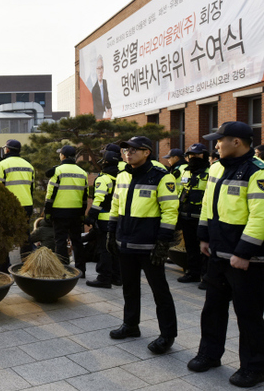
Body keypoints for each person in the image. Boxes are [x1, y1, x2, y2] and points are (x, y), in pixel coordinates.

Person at [187, 121, 264, 388]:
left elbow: (260, 216)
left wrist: (244, 252)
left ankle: (254, 367)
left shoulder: (257, 172)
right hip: (218, 253)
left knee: (248, 314)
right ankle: (209, 354)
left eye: (220, 140)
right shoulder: (216, 167)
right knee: (213, 308)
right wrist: (204, 237)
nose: (215, 144)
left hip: (246, 260)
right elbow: (208, 203)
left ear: (237, 142)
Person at [107, 136, 178, 354]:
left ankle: (167, 335)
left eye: (134, 150)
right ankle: (130, 325)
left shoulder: (161, 177)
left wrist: (163, 243)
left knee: (160, 291)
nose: (128, 153)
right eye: (125, 150)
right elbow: (116, 204)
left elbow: (170, 211)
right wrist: (111, 233)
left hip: (149, 247)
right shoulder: (122, 176)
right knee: (129, 287)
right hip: (125, 242)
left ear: (147, 152)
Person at [44, 145, 88, 277]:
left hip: (59, 212)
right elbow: (85, 197)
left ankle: (63, 270)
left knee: (61, 241)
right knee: (77, 241)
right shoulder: (82, 172)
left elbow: (51, 193)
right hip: (76, 212)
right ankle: (81, 270)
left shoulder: (57, 171)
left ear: (63, 156)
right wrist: (82, 213)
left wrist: (47, 211)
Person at [0, 139, 35, 268]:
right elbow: (32, 188)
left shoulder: (2, 165)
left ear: (7, 149)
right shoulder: (29, 165)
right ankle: (29, 264)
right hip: (27, 204)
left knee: (3, 235)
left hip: (8, 205)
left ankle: (3, 267)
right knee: (24, 236)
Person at [85, 150, 121, 288]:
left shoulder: (103, 178)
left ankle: (104, 278)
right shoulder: (122, 176)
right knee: (115, 249)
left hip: (105, 219)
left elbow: (99, 199)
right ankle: (117, 278)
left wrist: (91, 217)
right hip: (118, 218)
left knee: (104, 249)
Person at [177, 143, 210, 287]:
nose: (194, 158)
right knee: (191, 247)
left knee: (206, 248)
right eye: (191, 155)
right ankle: (192, 273)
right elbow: (179, 191)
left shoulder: (211, 171)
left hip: (203, 217)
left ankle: (207, 277)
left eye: (197, 155)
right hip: (186, 215)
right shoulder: (184, 170)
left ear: (204, 155)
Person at [92, 55, 112, 120]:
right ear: (95, 70)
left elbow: (107, 99)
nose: (100, 71)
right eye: (98, 68)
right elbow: (96, 110)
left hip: (106, 114)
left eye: (101, 68)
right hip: (100, 118)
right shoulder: (94, 89)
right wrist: (104, 115)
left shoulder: (105, 82)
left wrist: (109, 109)